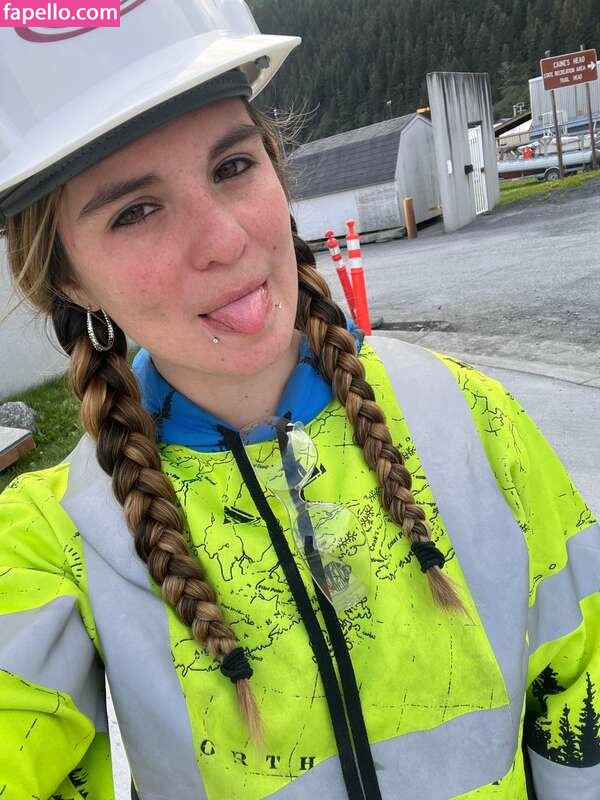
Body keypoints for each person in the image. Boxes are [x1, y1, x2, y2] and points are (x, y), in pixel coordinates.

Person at [0, 2, 599, 798]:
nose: (225, 240)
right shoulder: (55, 539)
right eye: (135, 211)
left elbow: (584, 686)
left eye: (231, 167)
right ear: (69, 280)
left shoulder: (471, 419)